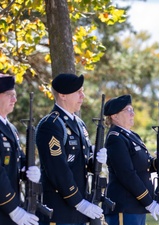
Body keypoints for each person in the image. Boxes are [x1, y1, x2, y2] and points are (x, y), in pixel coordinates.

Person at [35, 73, 106, 225]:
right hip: (60, 212)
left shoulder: (79, 124)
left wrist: (96, 161)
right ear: (62, 95)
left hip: (79, 212)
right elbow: (58, 170)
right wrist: (79, 202)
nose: (83, 95)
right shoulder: (51, 125)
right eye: (78, 92)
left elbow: (81, 164)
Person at [103, 94, 159, 225]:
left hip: (137, 205)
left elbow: (145, 166)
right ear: (114, 116)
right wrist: (149, 202)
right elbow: (126, 174)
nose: (132, 114)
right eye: (128, 110)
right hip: (125, 205)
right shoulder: (115, 138)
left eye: (132, 110)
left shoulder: (133, 135)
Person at [0, 74, 41, 225]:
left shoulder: (10, 128)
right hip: (6, 208)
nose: (14, 100)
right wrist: (13, 208)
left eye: (15, 95)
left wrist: (28, 170)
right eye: (9, 95)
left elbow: (18, 160)